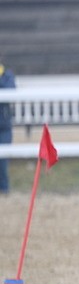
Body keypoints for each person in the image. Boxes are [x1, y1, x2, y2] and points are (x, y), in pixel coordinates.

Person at [0, 60, 13, 195]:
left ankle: (4, 189)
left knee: (3, 162)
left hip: (3, 126)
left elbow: (11, 91)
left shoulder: (7, 75)